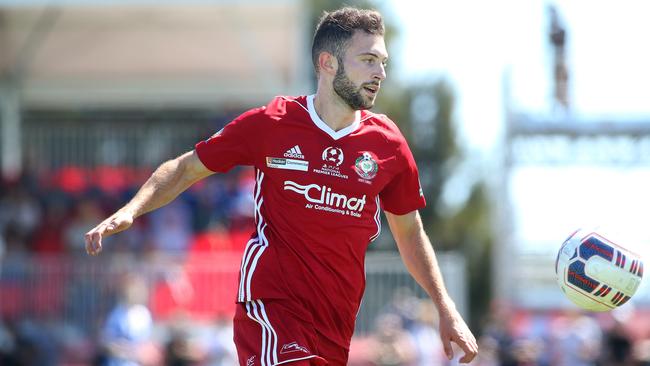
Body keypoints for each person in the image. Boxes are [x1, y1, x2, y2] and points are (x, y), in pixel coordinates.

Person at [85, 7, 478, 366]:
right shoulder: (272, 124)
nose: (380, 73)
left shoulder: (388, 144)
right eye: (368, 60)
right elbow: (187, 168)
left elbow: (410, 233)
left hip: (334, 325)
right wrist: (131, 210)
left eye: (383, 62)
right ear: (327, 63)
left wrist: (445, 307)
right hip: (270, 310)